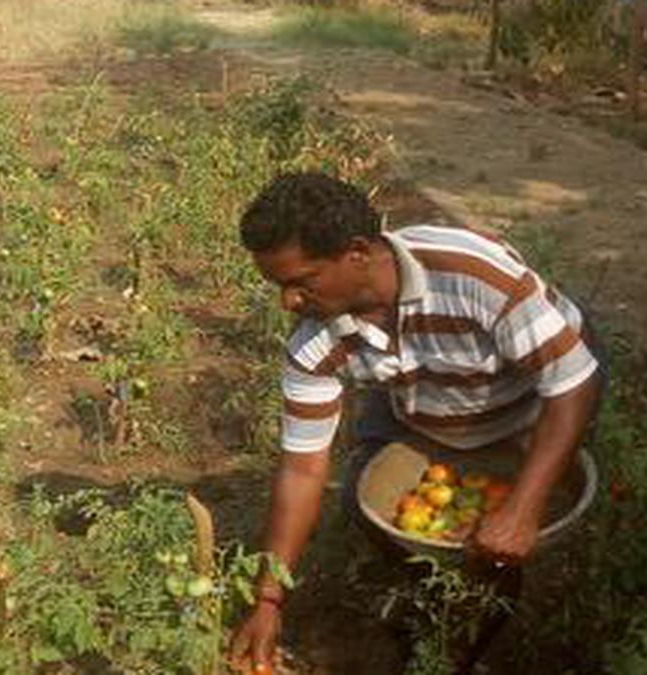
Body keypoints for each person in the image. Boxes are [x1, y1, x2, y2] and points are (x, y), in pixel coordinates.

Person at [228, 172, 604, 672]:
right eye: (279, 286)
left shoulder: (469, 275)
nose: (288, 302)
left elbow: (572, 381)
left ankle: (481, 632)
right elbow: (302, 470)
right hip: (420, 393)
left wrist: (522, 508)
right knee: (367, 502)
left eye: (301, 281)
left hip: (538, 386)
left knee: (514, 528)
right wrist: (268, 601)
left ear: (357, 252)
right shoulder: (315, 343)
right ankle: (433, 603)